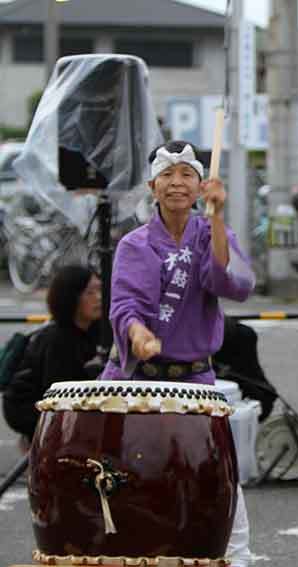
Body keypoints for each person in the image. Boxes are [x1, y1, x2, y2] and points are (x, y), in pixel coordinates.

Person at [99, 140, 255, 567]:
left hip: (192, 380)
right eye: (167, 175)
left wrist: (219, 216)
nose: (177, 183)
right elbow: (125, 305)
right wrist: (137, 332)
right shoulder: (135, 243)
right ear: (153, 186)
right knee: (121, 475)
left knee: (214, 474)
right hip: (138, 378)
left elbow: (231, 283)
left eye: (187, 174)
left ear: (201, 185)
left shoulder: (211, 233)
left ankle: (235, 558)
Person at [2, 265, 101, 444]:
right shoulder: (58, 339)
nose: (98, 298)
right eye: (90, 293)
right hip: (27, 407)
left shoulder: (93, 330)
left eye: (99, 290)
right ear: (72, 297)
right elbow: (58, 393)